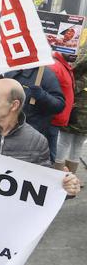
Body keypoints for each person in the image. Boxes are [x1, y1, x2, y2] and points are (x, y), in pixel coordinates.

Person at [5, 66, 64, 162]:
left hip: (31, 136)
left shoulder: (46, 75)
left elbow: (59, 105)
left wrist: (42, 96)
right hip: (5, 133)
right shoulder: (10, 70)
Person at [57, 47, 87, 181]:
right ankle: (71, 177)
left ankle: (58, 176)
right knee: (77, 143)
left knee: (64, 141)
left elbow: (77, 65)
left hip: (77, 107)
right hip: (80, 110)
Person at [49, 52, 75, 165]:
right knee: (50, 155)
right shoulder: (55, 66)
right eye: (70, 50)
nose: (75, 54)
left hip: (57, 118)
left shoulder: (64, 65)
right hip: (51, 119)